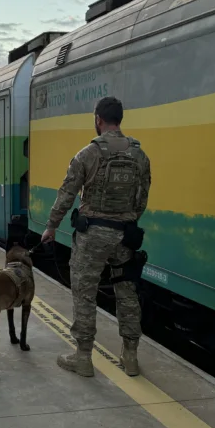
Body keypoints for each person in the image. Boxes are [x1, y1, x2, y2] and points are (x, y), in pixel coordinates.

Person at [41, 96, 151, 378]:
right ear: (120, 120)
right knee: (127, 293)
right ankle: (131, 357)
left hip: (92, 236)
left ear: (98, 120)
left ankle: (83, 357)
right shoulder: (139, 155)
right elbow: (142, 199)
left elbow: (67, 193)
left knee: (84, 294)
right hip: (125, 236)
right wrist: (127, 220)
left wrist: (52, 225)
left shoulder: (87, 154)